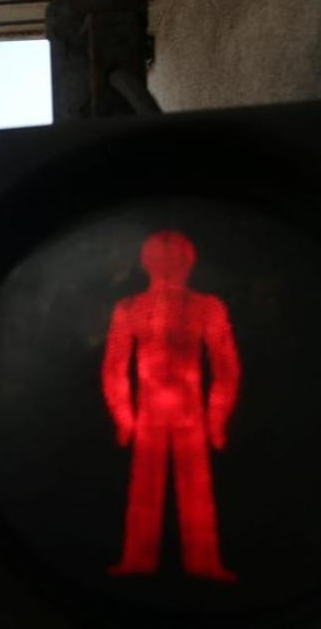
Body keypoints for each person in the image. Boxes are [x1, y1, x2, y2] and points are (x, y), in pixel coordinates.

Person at [102, 230, 240, 581]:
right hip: (151, 411)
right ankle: (138, 560)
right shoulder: (130, 308)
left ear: (188, 263)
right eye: (160, 259)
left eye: (174, 260)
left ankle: (203, 561)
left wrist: (217, 418)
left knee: (196, 491)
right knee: (145, 492)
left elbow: (225, 366)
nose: (167, 266)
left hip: (188, 411)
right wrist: (124, 416)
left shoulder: (207, 307)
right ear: (147, 262)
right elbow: (115, 367)